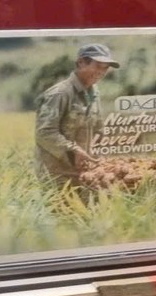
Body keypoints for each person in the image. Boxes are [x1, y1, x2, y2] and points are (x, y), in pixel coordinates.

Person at [34, 44, 117, 188]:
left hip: (85, 175)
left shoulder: (94, 93)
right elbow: (44, 133)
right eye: (98, 66)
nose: (101, 72)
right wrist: (74, 150)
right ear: (80, 63)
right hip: (57, 176)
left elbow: (99, 129)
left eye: (105, 68)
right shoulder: (60, 94)